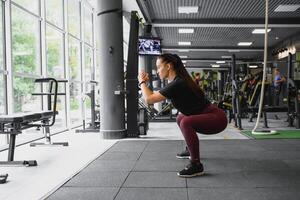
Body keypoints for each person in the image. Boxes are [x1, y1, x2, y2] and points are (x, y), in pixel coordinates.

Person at [138, 53, 228, 178]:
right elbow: (151, 97)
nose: (157, 71)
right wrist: (145, 85)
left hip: (217, 119)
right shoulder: (177, 81)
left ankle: (196, 165)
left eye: (159, 67)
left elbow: (149, 99)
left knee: (186, 121)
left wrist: (141, 82)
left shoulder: (178, 83)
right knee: (181, 117)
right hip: (211, 116)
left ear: (168, 66)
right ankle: (190, 149)